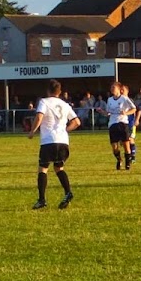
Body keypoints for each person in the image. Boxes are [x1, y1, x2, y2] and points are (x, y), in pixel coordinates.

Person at [27, 79, 80, 210]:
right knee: (58, 168)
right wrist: (65, 130)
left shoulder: (44, 102)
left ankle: (42, 199)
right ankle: (68, 192)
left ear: (48, 90)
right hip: (63, 141)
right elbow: (77, 122)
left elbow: (39, 117)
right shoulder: (65, 104)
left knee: (43, 169)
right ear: (59, 92)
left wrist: (32, 131)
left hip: (48, 141)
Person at [101, 81, 136, 170]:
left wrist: (126, 113)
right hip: (112, 124)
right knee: (114, 147)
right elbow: (108, 113)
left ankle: (128, 164)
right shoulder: (109, 100)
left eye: (114, 87)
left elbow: (134, 109)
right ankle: (119, 159)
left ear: (119, 89)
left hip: (122, 123)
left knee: (126, 145)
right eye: (111, 87)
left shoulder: (124, 99)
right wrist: (102, 112)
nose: (112, 89)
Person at [121, 84, 141, 165]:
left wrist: (137, 120)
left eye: (123, 90)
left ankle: (132, 156)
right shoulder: (120, 101)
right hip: (122, 123)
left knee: (130, 139)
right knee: (124, 141)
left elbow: (138, 110)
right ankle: (129, 155)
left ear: (127, 91)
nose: (121, 91)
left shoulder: (131, 101)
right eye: (120, 90)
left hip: (130, 123)